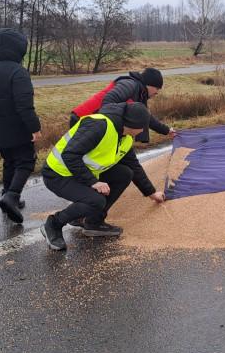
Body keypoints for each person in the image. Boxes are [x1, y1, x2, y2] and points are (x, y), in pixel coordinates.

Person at [40, 102, 166, 250]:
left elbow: (134, 166)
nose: (144, 130)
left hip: (79, 172)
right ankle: (53, 224)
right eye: (143, 126)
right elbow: (70, 154)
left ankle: (94, 222)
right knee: (96, 201)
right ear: (133, 124)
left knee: (125, 173)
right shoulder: (99, 125)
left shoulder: (125, 137)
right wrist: (93, 182)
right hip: (57, 173)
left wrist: (151, 193)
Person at [0, 28, 41, 224]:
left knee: (9, 161)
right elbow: (24, 104)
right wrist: (34, 127)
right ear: (18, 50)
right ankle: (12, 196)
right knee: (26, 161)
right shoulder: (18, 72)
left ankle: (8, 194)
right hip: (17, 126)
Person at [70, 67, 176, 143]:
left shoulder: (140, 94)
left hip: (94, 123)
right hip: (82, 119)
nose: (157, 92)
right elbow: (108, 101)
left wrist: (166, 130)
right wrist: (116, 128)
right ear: (149, 84)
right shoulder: (130, 84)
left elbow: (145, 117)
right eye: (157, 88)